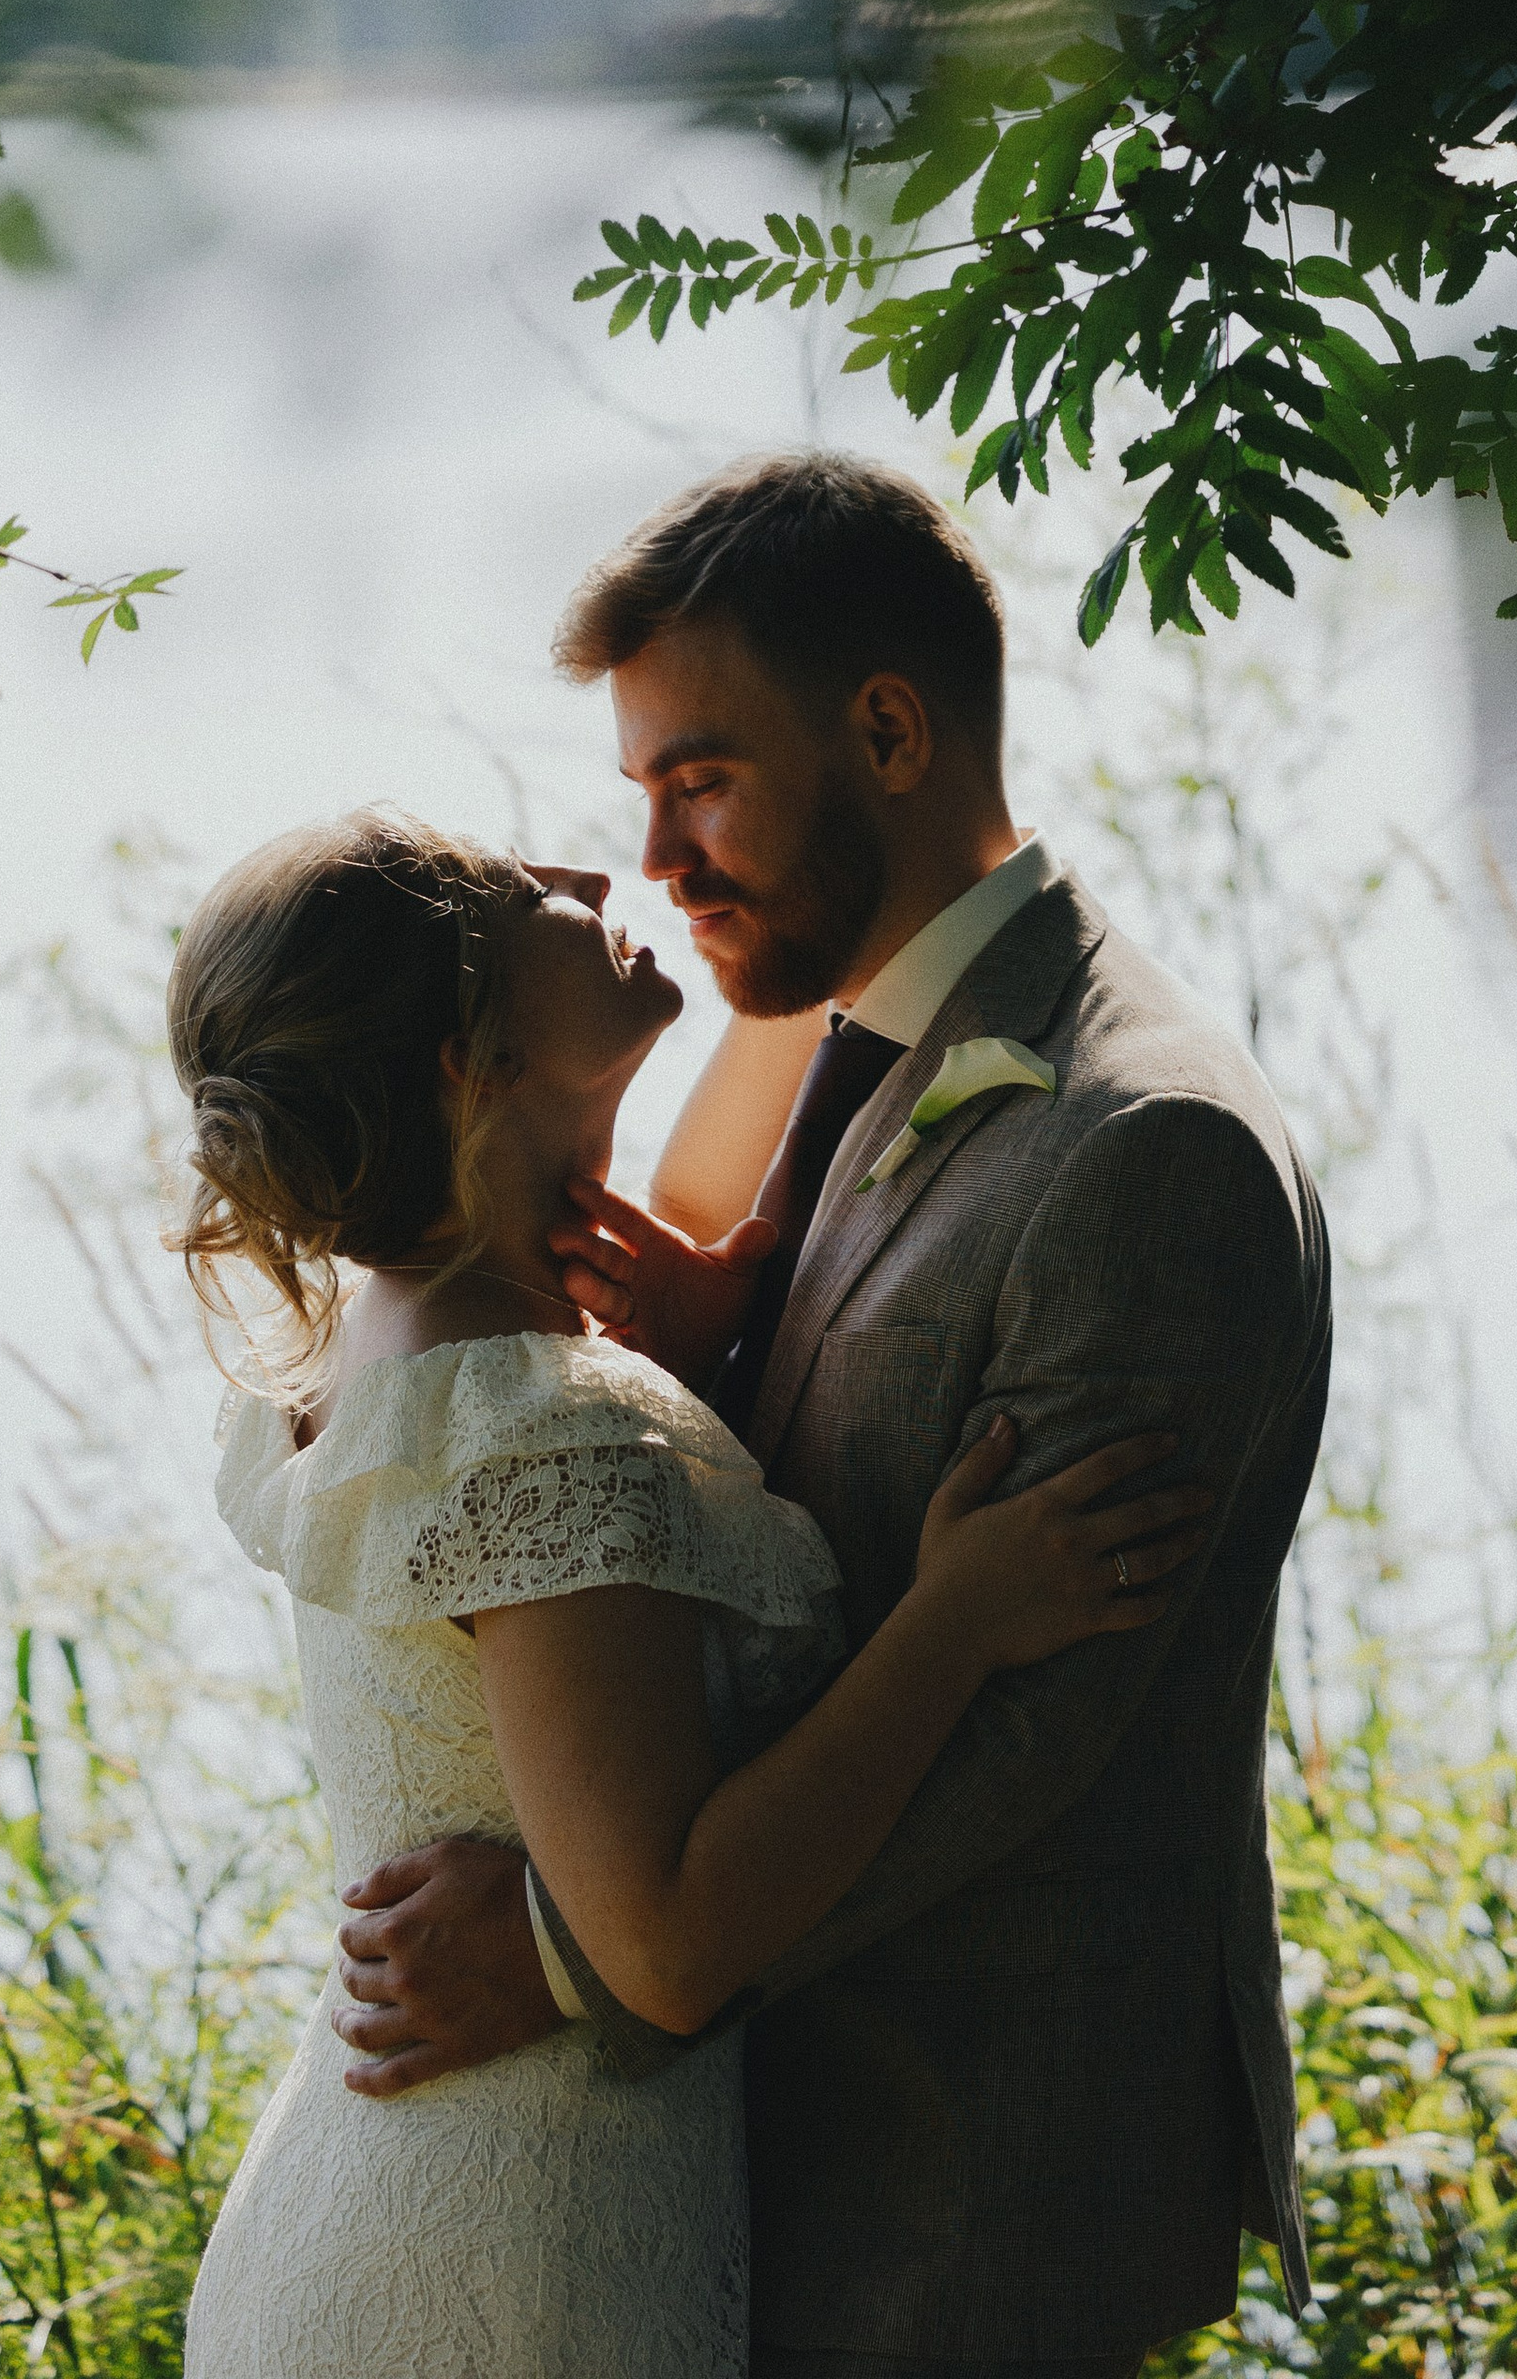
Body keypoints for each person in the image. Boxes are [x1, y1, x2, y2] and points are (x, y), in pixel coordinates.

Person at [331, 454, 1336, 2379]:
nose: (660, 858)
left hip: (963, 2189)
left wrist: (572, 1952)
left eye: (699, 780)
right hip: (769, 2167)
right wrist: (723, 1341)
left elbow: (1045, 1732)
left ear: (888, 730)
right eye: (641, 794)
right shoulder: (835, 1024)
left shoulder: (1149, 1149)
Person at [169, 806, 1206, 2379]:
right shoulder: (542, 1426)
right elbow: (656, 1939)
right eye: (526, 895)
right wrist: (956, 1622)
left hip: (361, 2222)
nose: (595, 877)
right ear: (473, 1060)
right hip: (513, 2281)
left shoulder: (377, 1356)